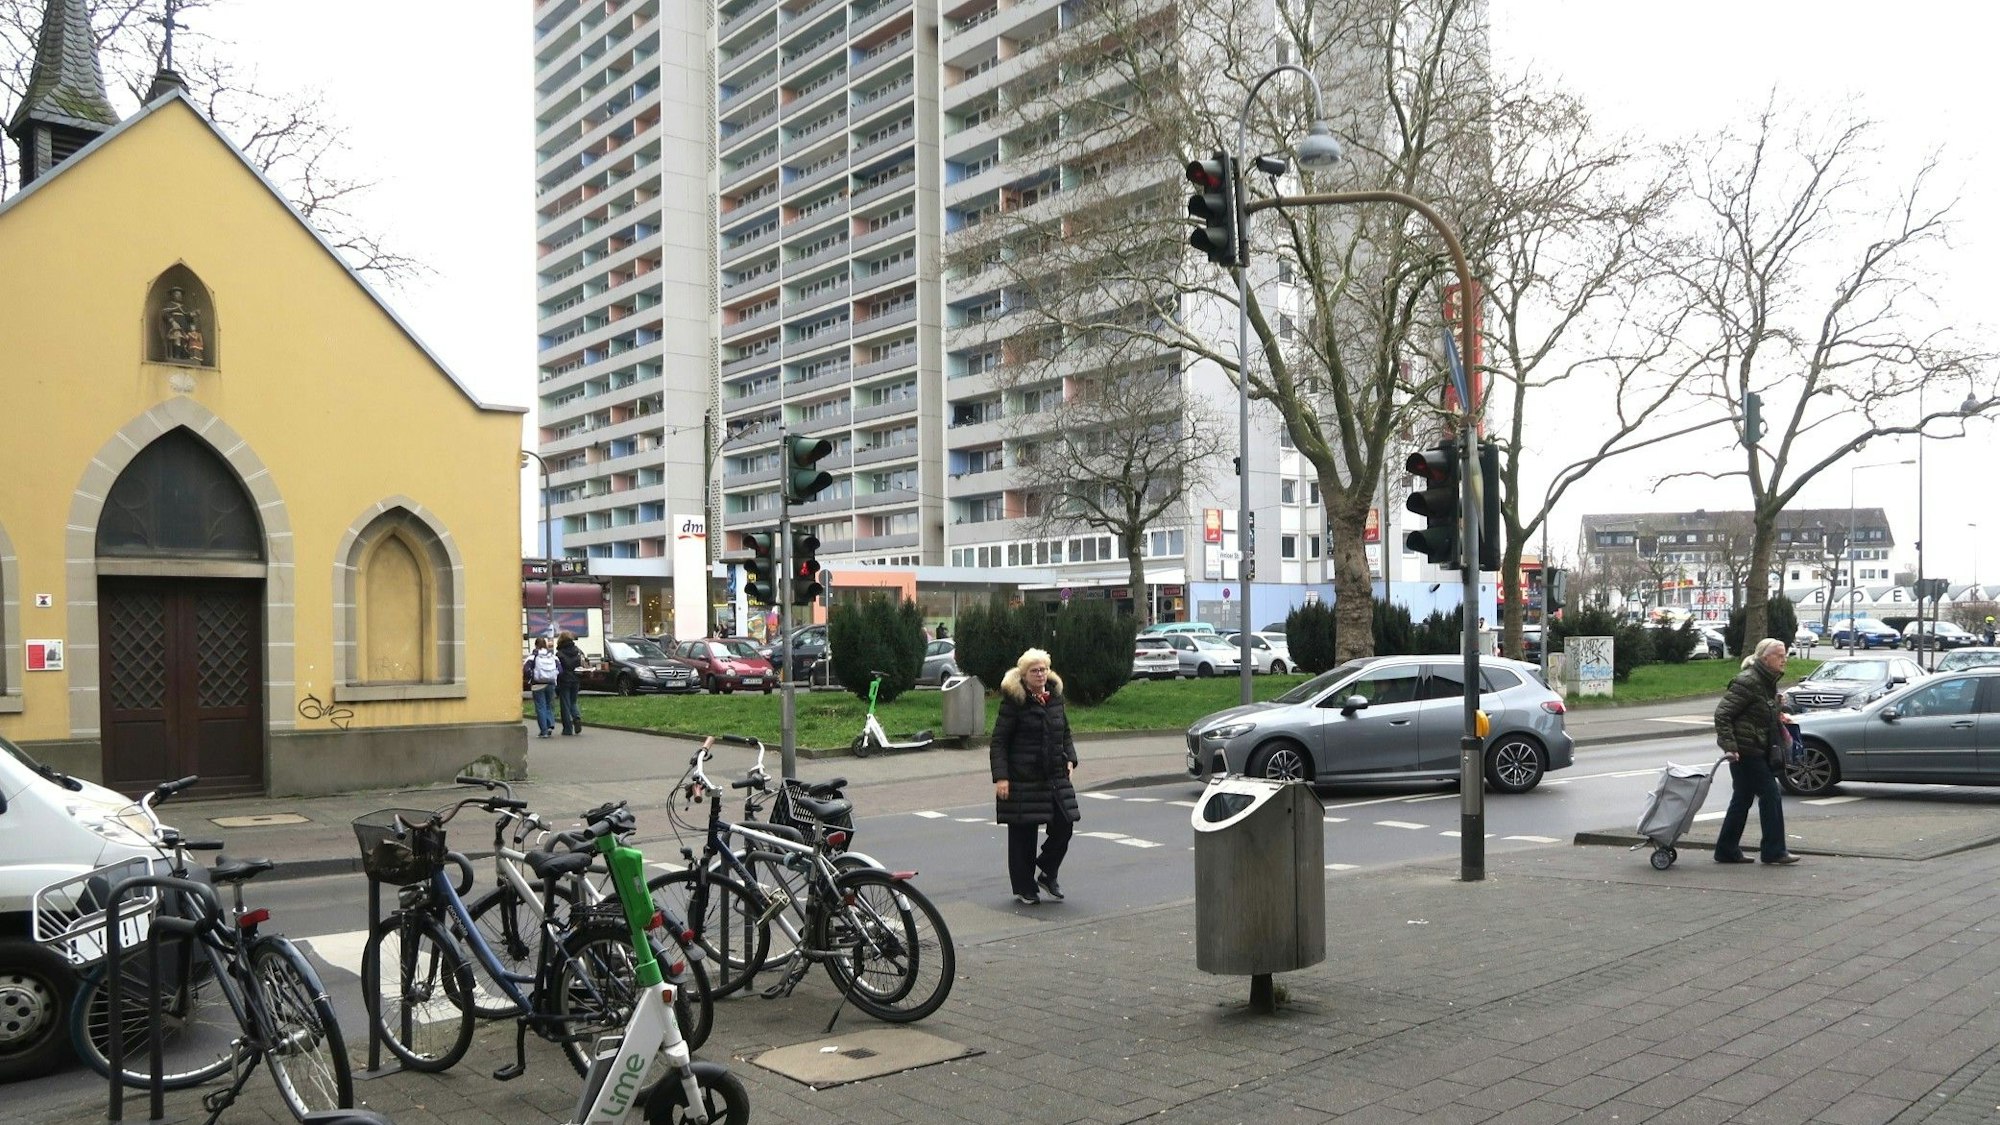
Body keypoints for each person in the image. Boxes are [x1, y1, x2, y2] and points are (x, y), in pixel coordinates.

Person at [990, 648, 1080, 906]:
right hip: (1022, 777)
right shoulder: (1014, 702)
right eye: (1034, 671)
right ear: (1024, 674)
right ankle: (1024, 887)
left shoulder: (1055, 697)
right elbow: (999, 742)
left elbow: (1065, 732)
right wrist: (1001, 777)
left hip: (1054, 776)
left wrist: (1071, 758)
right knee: (1023, 835)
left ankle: (1048, 873)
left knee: (1065, 825)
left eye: (1043, 669)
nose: (1040, 674)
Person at [1712, 637, 1799, 865]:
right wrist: (1730, 747)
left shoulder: (1766, 681)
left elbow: (1757, 712)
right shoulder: (1748, 681)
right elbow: (1722, 714)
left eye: (1785, 655)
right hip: (1746, 750)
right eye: (1779, 656)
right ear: (1765, 658)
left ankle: (1726, 850)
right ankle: (1774, 851)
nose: (1784, 660)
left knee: (1742, 798)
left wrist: (1778, 712)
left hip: (1754, 748)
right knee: (1771, 795)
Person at [524, 637, 559, 738]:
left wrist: (532, 677)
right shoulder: (552, 656)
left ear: (535, 645)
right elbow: (560, 669)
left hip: (537, 685)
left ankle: (544, 731)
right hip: (551, 683)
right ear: (545, 645)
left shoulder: (532, 657)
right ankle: (550, 724)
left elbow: (526, 670)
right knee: (549, 706)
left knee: (541, 707)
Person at [555, 631, 585, 735]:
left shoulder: (559, 654)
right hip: (576, 678)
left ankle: (567, 729)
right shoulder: (577, 651)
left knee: (565, 705)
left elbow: (558, 669)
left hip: (564, 680)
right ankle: (576, 718)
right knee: (573, 702)